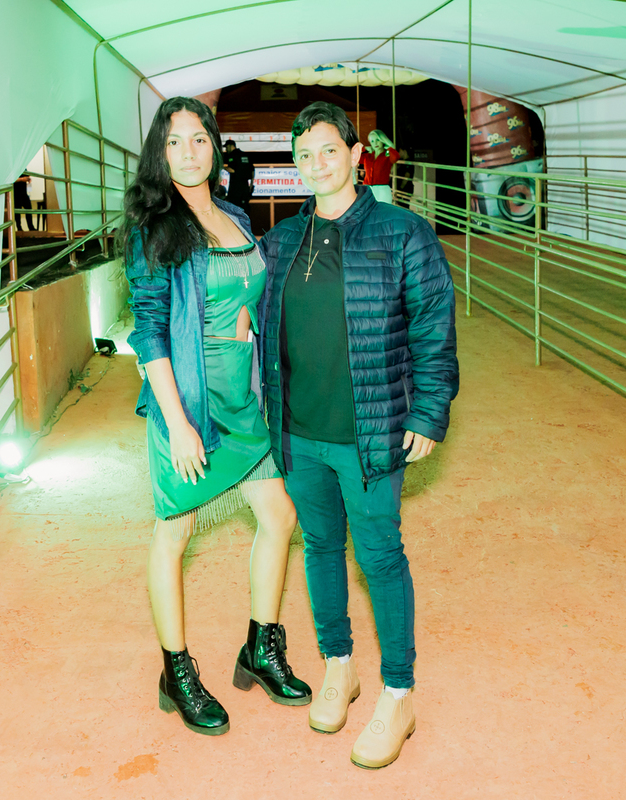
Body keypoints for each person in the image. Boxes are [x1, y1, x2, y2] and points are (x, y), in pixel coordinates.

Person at [258, 102, 458, 769]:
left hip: (369, 434)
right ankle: (338, 665)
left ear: (353, 154)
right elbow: (259, 320)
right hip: (299, 433)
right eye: (304, 155)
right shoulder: (283, 240)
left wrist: (428, 412)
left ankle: (399, 693)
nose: (317, 164)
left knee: (379, 557)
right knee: (319, 546)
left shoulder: (403, 234)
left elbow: (434, 326)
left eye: (328, 150)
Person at [122, 97, 310, 737]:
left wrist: (248, 318)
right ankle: (175, 673)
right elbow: (149, 331)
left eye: (198, 139)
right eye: (174, 142)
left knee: (279, 516)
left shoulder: (234, 216)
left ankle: (260, 648)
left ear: (215, 145)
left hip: (243, 398)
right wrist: (177, 424)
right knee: (173, 532)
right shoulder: (153, 227)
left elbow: (249, 289)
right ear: (159, 152)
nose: (188, 152)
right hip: (190, 402)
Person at [357, 129, 400, 203]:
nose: (375, 143)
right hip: (367, 189)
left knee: (383, 210)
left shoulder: (387, 156)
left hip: (382, 190)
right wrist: (364, 148)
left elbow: (396, 157)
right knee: (367, 209)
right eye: (372, 141)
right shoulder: (368, 156)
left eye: (378, 140)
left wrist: (389, 147)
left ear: (382, 140)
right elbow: (355, 157)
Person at [223, 138, 254, 216]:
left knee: (234, 208)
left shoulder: (232, 155)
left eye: (227, 147)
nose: (226, 150)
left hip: (236, 187)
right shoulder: (245, 155)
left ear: (231, 146)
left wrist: (221, 167)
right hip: (245, 186)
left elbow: (232, 170)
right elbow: (252, 171)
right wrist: (251, 185)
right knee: (245, 208)